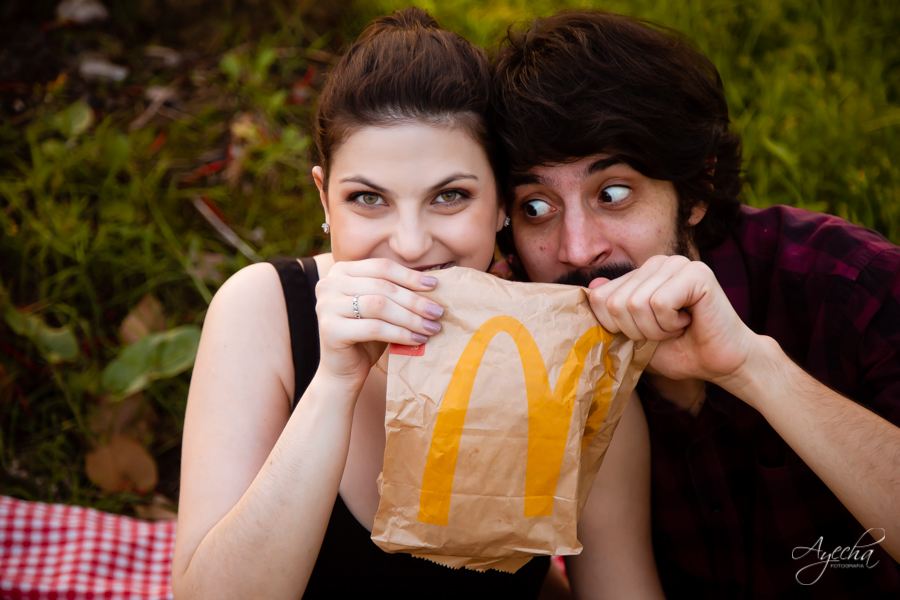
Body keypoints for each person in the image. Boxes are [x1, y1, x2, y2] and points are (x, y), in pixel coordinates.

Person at [172, 8, 662, 599]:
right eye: (368, 199)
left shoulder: (568, 355)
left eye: (450, 196)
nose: (409, 244)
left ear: (502, 202)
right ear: (325, 198)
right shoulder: (262, 313)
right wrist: (333, 383)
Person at [491, 9, 900, 598]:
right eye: (536, 207)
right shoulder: (512, 336)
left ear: (696, 191)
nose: (576, 249)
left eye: (612, 193)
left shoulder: (849, 286)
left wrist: (752, 369)